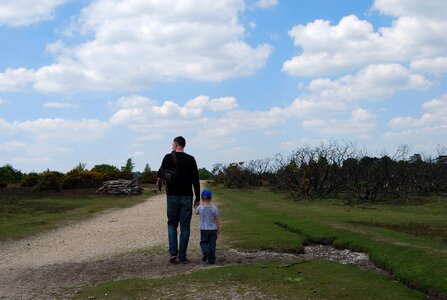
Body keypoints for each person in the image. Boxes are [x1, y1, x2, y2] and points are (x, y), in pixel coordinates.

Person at [157, 136, 200, 264]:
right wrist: (197, 198)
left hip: (172, 196)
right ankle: (182, 255)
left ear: (176, 144)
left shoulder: (168, 157)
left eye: (172, 144)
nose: (171, 146)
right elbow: (196, 180)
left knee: (171, 224)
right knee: (185, 227)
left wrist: (162, 179)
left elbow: (160, 173)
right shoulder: (191, 159)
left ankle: (173, 253)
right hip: (187, 196)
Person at [195, 189, 220, 264]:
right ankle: (211, 259)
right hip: (213, 229)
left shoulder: (200, 208)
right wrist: (218, 229)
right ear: (211, 198)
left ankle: (205, 251)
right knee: (212, 244)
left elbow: (196, 213)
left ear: (202, 198)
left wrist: (196, 206)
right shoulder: (214, 208)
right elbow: (217, 219)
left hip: (204, 229)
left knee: (203, 242)